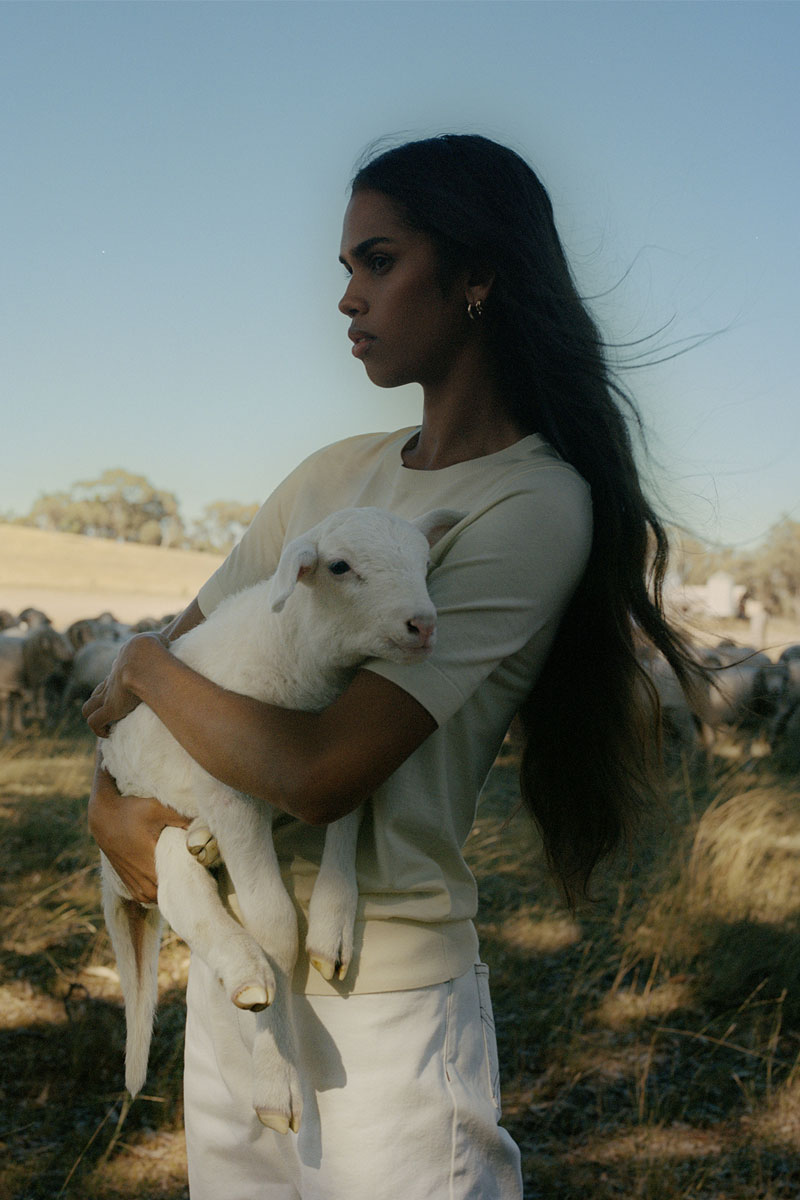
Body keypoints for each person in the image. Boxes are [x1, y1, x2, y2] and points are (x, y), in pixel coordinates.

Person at [84, 134, 696, 1199]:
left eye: (376, 262)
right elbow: (144, 702)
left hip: (385, 1019)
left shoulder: (529, 504)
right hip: (235, 994)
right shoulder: (330, 479)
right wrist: (111, 808)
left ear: (474, 279)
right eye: (344, 271)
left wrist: (140, 663)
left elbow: (319, 769)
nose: (346, 298)